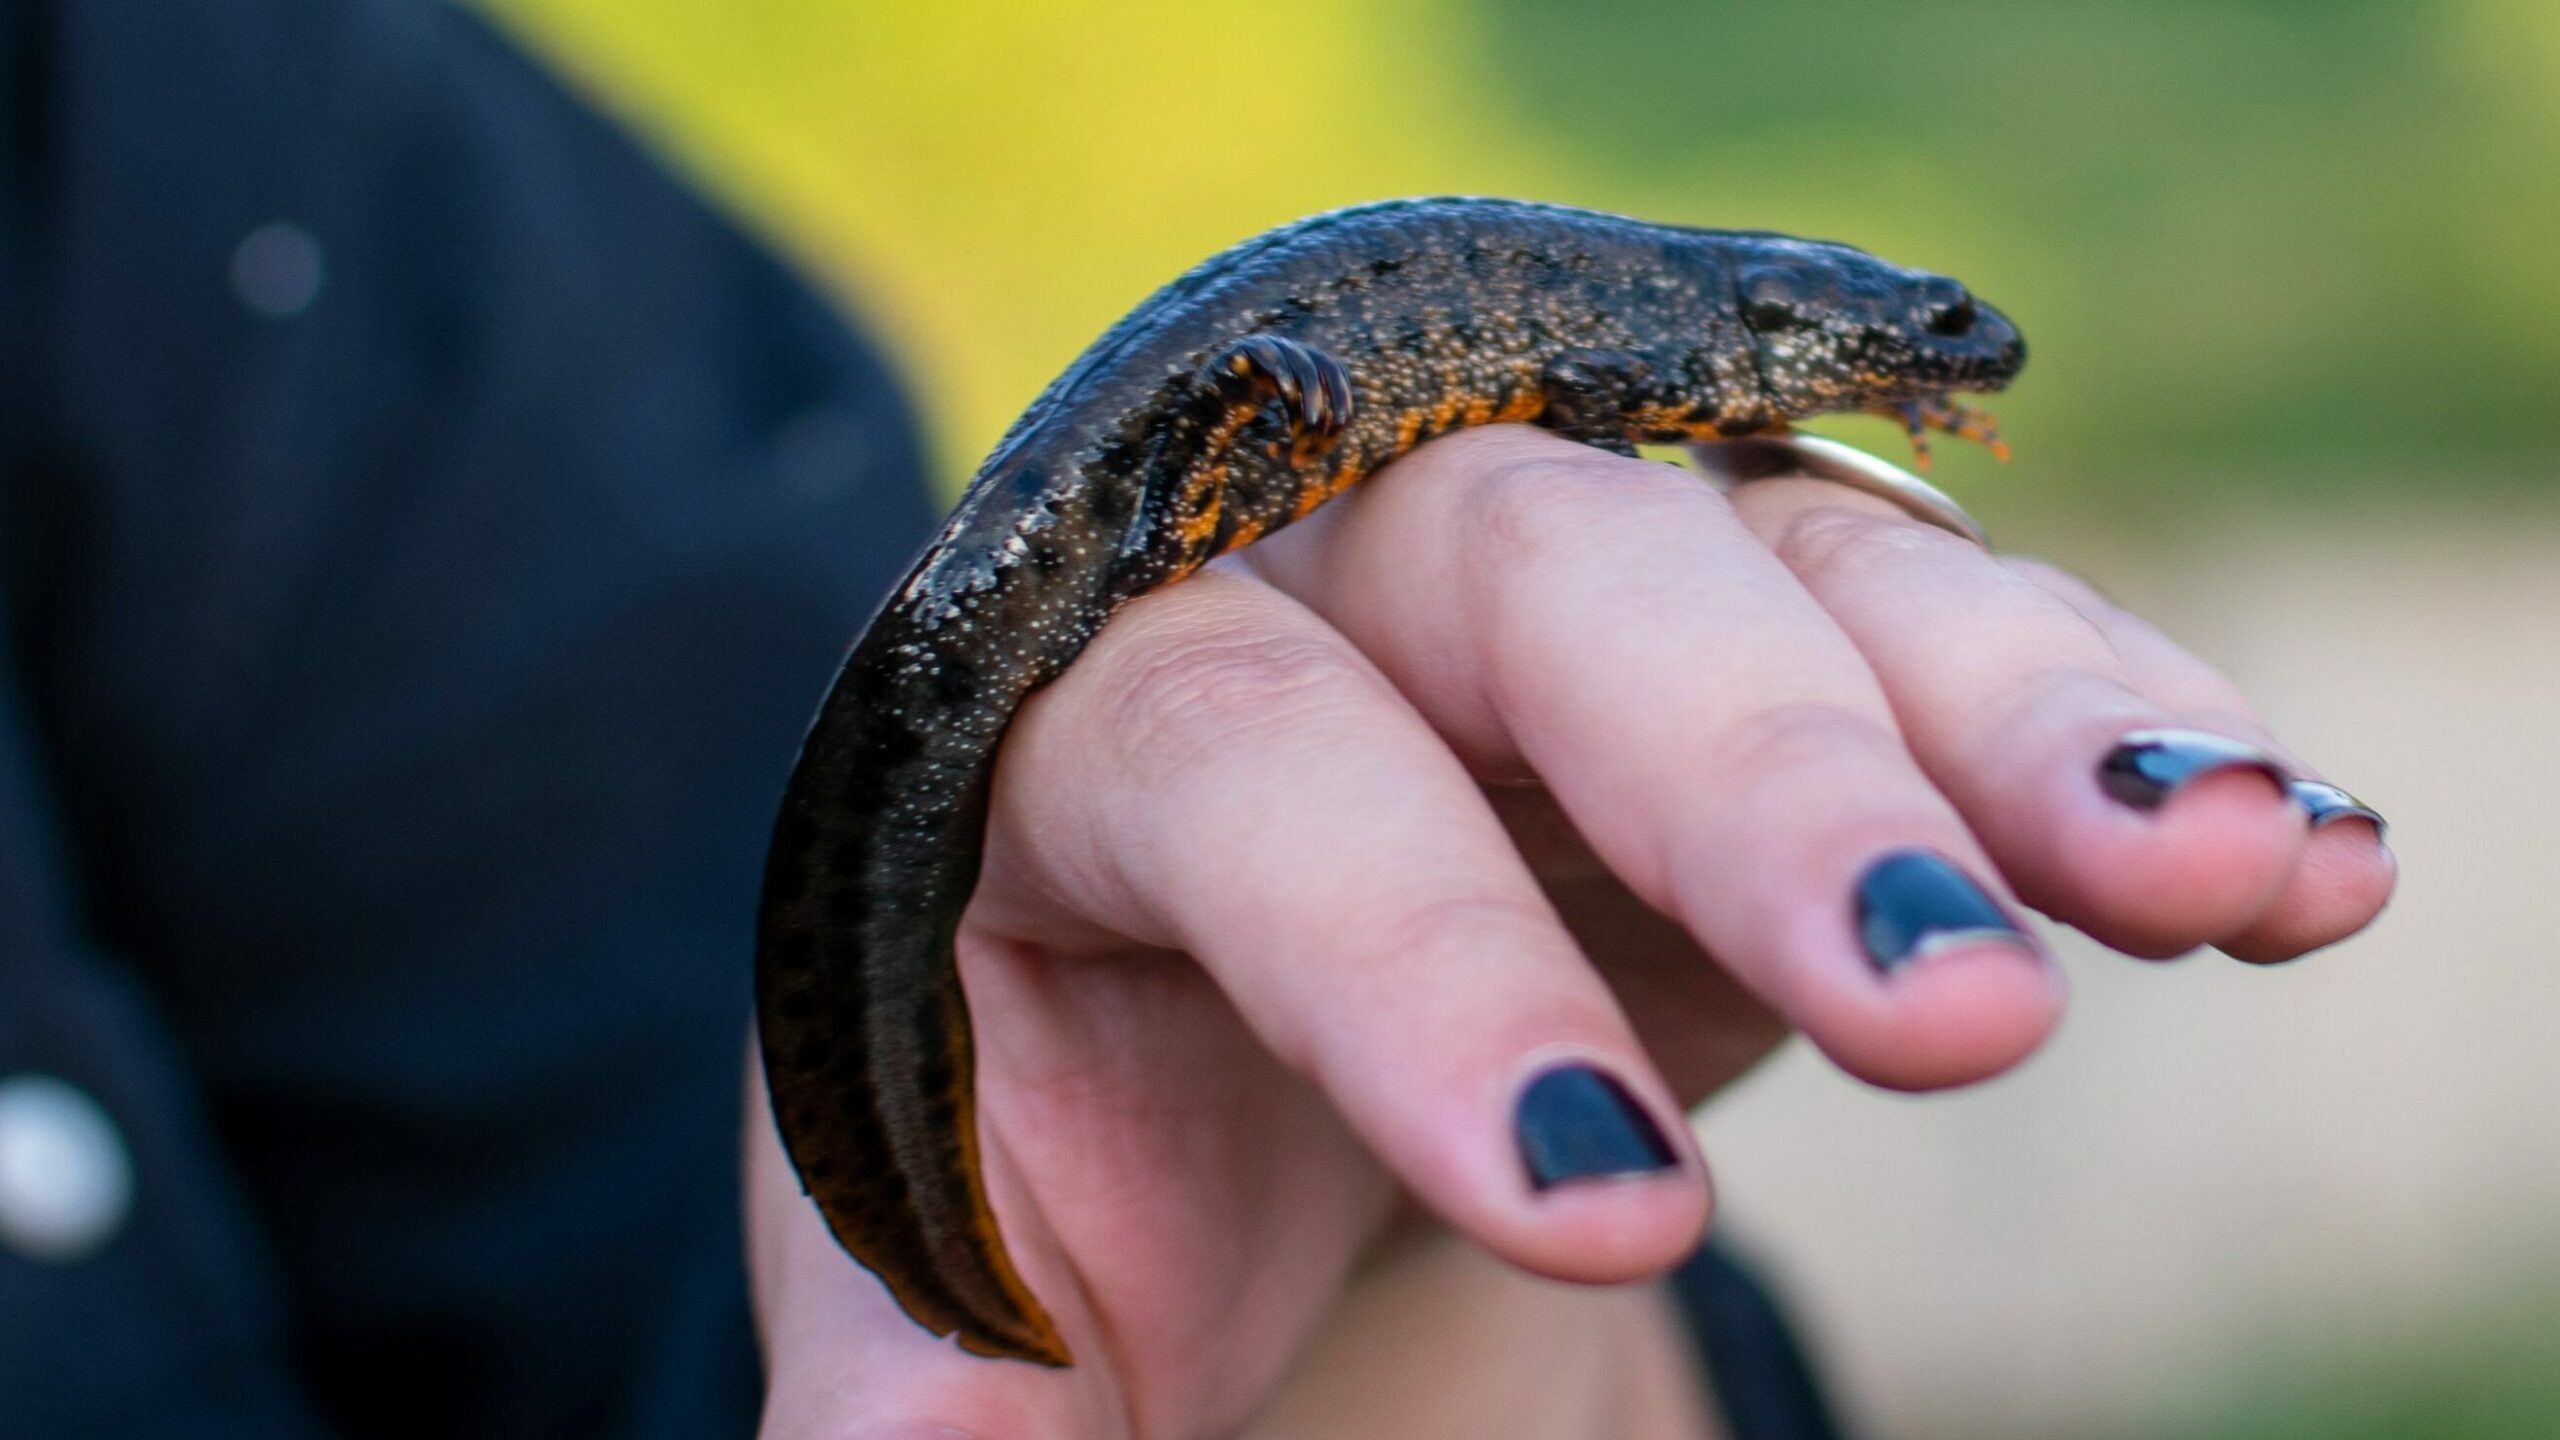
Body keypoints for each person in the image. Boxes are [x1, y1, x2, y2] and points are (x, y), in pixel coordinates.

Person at [0, 2, 2394, 1437]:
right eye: (1921, 343)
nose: (1950, 368)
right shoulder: (1703, 326)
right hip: (1188, 422)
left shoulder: (204, 175)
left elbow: (633, 1247)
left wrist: (1390, 1359)